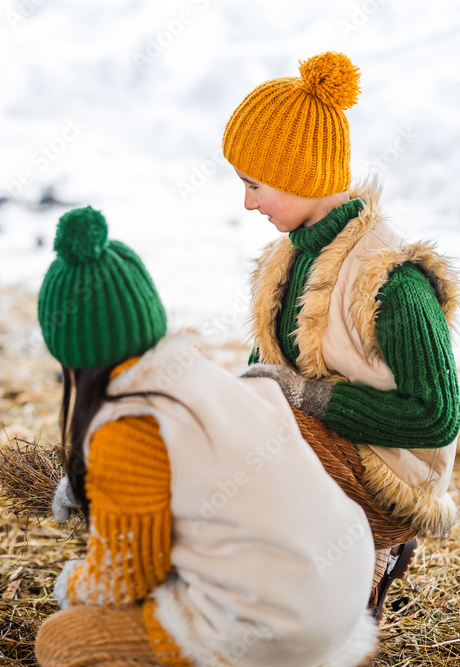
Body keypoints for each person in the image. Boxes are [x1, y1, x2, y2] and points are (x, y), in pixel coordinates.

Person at [35, 207, 377, 667]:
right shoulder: (195, 375)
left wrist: (72, 583)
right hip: (343, 589)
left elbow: (125, 578)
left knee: (62, 642)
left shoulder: (126, 430)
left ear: (70, 352)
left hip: (282, 627)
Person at [223, 51, 459, 617]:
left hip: (389, 471)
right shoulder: (286, 261)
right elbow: (269, 372)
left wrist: (308, 396)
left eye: (255, 184)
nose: (247, 201)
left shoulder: (391, 281)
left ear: (297, 175)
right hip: (317, 445)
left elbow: (437, 416)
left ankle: (363, 561)